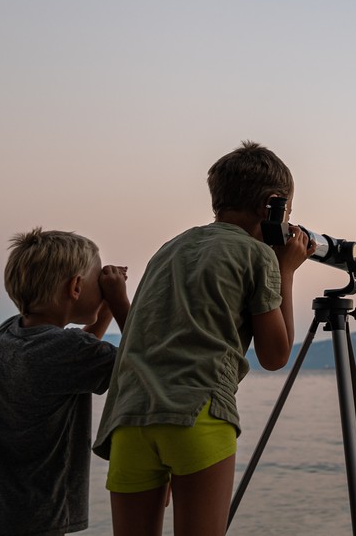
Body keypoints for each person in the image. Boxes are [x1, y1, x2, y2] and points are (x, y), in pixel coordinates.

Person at [94, 141, 313, 536]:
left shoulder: (169, 250)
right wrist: (287, 270)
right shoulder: (258, 255)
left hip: (130, 417)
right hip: (198, 412)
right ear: (272, 206)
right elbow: (276, 354)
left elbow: (139, 336)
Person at [0, 228, 131, 536]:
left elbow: (73, 357)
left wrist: (101, 311)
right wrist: (118, 303)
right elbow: (145, 362)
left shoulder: (4, 336)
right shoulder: (67, 352)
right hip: (32, 523)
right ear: (75, 286)